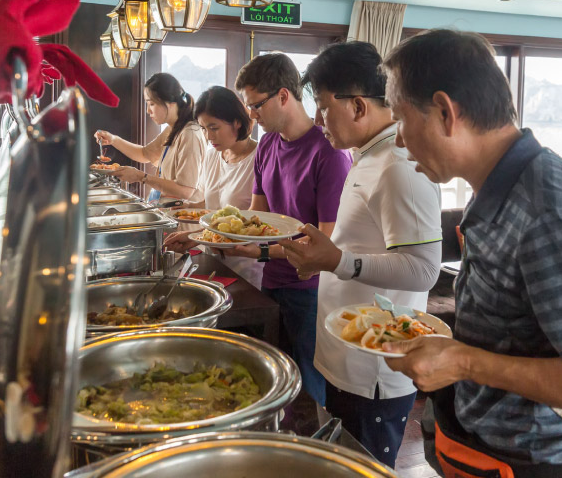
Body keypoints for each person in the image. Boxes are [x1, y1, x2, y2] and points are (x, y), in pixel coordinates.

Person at [379, 29, 562, 476]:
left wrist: (466, 361)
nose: (398, 139)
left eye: (399, 118)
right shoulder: (499, 183)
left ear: (444, 111)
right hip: (494, 446)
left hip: (547, 461)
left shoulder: (548, 212)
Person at [277, 41, 442, 468]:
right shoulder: (367, 157)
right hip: (347, 355)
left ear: (356, 106)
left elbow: (425, 270)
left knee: (365, 467)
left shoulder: (398, 166)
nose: (317, 119)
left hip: (375, 370)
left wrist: (337, 261)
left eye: (323, 106)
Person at [226, 53, 352, 406]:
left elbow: (324, 244)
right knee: (273, 379)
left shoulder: (329, 154)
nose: (251, 115)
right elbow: (258, 216)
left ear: (284, 96)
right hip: (271, 280)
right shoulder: (267, 144)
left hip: (311, 288)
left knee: (308, 389)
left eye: (256, 106)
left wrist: (261, 250)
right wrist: (232, 236)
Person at [163, 86, 262, 288]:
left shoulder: (259, 158)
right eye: (204, 129)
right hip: (215, 263)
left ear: (237, 122)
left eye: (214, 128)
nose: (209, 136)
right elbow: (216, 202)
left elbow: (252, 220)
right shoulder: (213, 155)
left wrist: (195, 235)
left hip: (247, 268)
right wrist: (190, 208)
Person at [94, 73, 205, 203]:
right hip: (166, 212)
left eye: (151, 104)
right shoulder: (174, 128)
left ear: (170, 103)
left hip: (181, 218)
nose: (148, 111)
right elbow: (145, 154)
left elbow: (185, 191)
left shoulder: (190, 134)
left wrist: (141, 177)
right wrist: (113, 139)